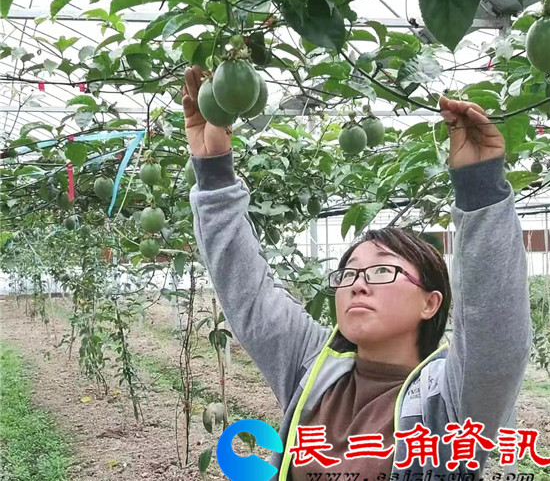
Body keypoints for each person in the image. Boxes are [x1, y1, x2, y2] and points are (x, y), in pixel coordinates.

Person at [182, 64, 533, 481]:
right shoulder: (312, 365)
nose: (358, 284)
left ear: (430, 302)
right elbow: (247, 293)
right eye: (348, 274)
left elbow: (494, 329)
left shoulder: (450, 399)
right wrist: (214, 172)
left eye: (381, 271)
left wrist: (480, 189)